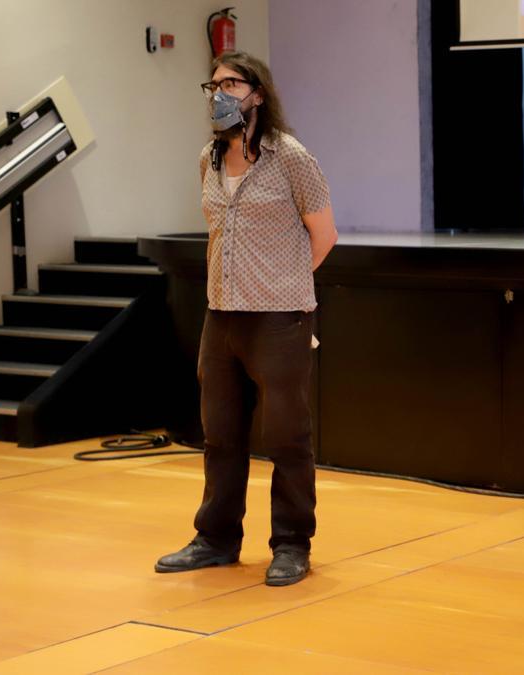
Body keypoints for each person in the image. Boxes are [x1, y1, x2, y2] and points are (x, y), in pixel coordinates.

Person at [155, 51, 338, 587]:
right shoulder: (207, 159)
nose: (219, 93)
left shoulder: (292, 158)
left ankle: (290, 545)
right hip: (222, 316)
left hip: (279, 317)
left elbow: (323, 236)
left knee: (286, 437)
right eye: (211, 85)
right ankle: (215, 540)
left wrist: (283, 285)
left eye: (230, 83)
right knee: (220, 435)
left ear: (257, 93)